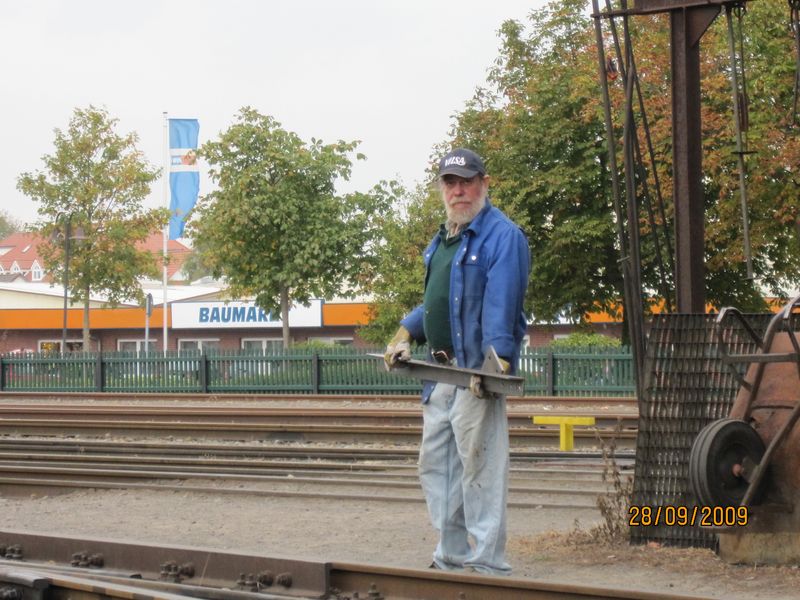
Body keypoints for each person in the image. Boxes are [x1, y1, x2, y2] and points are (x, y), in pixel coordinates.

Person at [384, 148, 530, 576]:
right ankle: (449, 559)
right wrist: (407, 330)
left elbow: (501, 304)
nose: (459, 190)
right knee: (438, 470)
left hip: (473, 375)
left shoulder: (503, 236)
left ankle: (487, 566)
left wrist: (496, 364)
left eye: (467, 181)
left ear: (485, 184)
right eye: (450, 183)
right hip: (438, 375)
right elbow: (442, 300)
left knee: (480, 473)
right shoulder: (443, 239)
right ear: (442, 189)